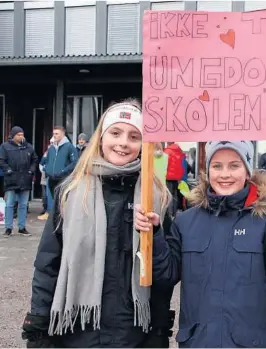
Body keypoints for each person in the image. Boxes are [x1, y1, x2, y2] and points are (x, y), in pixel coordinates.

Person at [135, 141, 266, 347]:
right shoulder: (186, 222)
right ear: (207, 170)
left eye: (234, 166)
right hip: (199, 342)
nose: (225, 174)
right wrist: (155, 233)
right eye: (217, 166)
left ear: (247, 171)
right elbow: (166, 274)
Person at [22, 100, 176, 348]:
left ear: (143, 145)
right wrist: (39, 325)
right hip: (76, 331)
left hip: (132, 333)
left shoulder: (157, 198)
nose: (123, 142)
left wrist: (159, 330)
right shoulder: (70, 193)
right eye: (115, 133)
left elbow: (163, 277)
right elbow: (48, 262)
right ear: (101, 138)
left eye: (134, 136)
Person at [0, 126, 38, 237]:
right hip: (11, 179)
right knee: (9, 204)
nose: (21, 137)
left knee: (23, 205)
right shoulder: (5, 147)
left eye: (22, 134)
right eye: (18, 135)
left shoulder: (28, 147)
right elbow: (1, 162)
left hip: (26, 179)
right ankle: (8, 228)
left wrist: (31, 171)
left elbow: (35, 160)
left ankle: (22, 227)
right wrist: (8, 170)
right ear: (13, 135)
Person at [44, 126, 79, 201]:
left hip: (63, 179)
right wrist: (47, 170)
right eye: (53, 133)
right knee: (54, 201)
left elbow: (74, 162)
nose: (54, 135)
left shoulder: (69, 147)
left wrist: (63, 171)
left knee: (62, 202)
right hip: (52, 179)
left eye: (57, 133)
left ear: (63, 134)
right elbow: (46, 160)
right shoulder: (51, 148)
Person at [164, 142, 186, 218]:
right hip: (177, 178)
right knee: (174, 195)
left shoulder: (167, 151)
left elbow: (164, 164)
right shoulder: (179, 151)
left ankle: (169, 214)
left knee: (168, 196)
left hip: (168, 177)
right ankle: (174, 213)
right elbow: (182, 164)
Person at [38, 138, 54, 221]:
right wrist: (44, 169)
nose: (51, 144)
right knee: (45, 196)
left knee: (51, 195)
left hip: (53, 177)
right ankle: (46, 210)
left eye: (52, 143)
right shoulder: (47, 152)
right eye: (50, 143)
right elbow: (41, 164)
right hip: (45, 177)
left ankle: (51, 212)